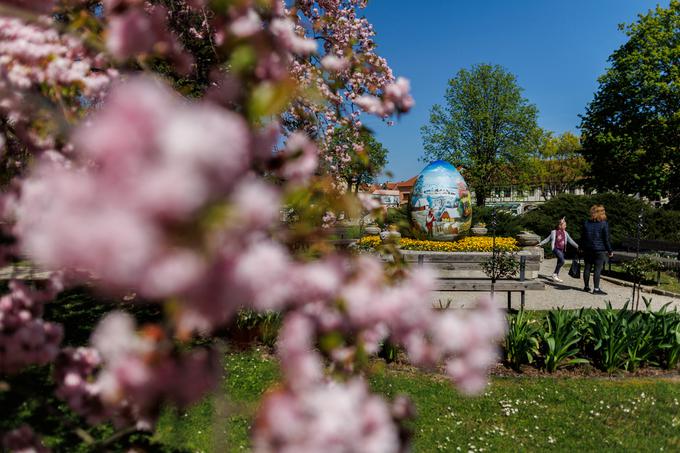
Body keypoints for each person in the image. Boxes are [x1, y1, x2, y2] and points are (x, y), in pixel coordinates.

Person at [581, 204, 613, 295]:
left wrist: (581, 247)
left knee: (587, 267)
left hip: (587, 249)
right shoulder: (604, 223)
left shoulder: (586, 223)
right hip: (599, 250)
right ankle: (596, 289)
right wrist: (610, 251)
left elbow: (583, 237)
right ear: (601, 213)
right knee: (597, 269)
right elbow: (606, 239)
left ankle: (586, 287)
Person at [539, 217, 579, 282]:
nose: (566, 226)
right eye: (564, 225)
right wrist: (540, 244)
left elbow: (571, 241)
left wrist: (578, 246)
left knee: (559, 262)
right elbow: (547, 239)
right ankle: (555, 274)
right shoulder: (554, 232)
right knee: (562, 261)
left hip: (562, 250)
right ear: (560, 226)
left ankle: (556, 275)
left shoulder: (565, 233)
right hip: (556, 249)